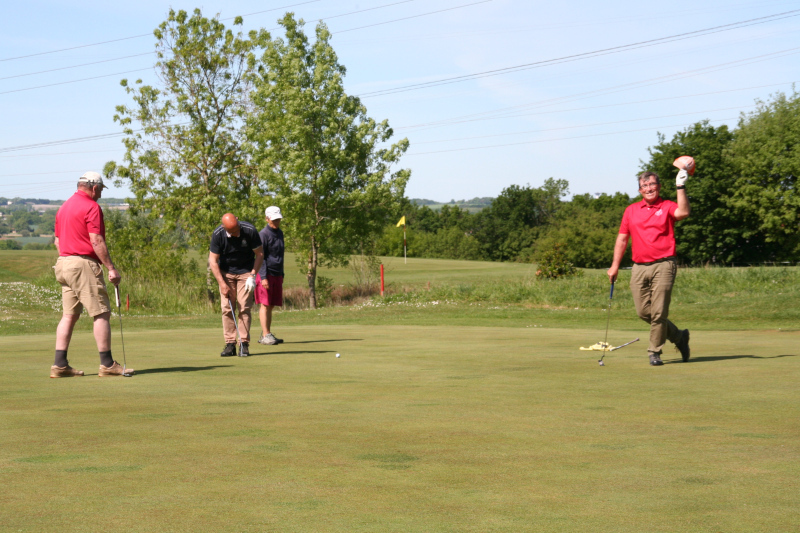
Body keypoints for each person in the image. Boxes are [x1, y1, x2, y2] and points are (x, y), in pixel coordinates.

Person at [607, 169, 692, 366]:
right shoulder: (631, 210)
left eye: (652, 184)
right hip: (639, 266)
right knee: (644, 312)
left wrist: (680, 186)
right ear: (640, 190)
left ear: (659, 187)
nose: (649, 188)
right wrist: (614, 266)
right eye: (644, 186)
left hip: (664, 264)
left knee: (659, 312)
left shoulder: (667, 206)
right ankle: (679, 336)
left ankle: (654, 351)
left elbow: (684, 212)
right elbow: (622, 239)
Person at [51, 171, 132, 377]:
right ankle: (107, 364)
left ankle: (59, 365)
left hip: (63, 262)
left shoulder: (64, 207)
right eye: (101, 190)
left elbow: (57, 241)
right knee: (101, 313)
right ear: (94, 188)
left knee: (69, 315)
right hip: (82, 264)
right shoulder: (91, 206)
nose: (101, 194)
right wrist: (111, 268)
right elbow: (96, 240)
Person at [209, 213, 264, 357]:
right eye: (232, 231)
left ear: (238, 221)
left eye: (237, 229)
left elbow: (259, 254)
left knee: (244, 306)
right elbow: (213, 261)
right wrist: (222, 283)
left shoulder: (249, 230)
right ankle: (230, 344)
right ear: (224, 227)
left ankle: (244, 343)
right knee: (227, 308)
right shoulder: (218, 234)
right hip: (226, 273)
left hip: (246, 272)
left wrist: (253, 275)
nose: (236, 233)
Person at [256, 206, 286, 345]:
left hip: (277, 273)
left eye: (278, 219)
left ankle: (266, 333)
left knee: (271, 305)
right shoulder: (263, 234)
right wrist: (263, 277)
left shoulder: (280, 233)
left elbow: (280, 255)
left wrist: (282, 273)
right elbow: (261, 256)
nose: (277, 222)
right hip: (266, 274)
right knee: (265, 304)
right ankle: (265, 335)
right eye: (274, 220)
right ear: (267, 219)